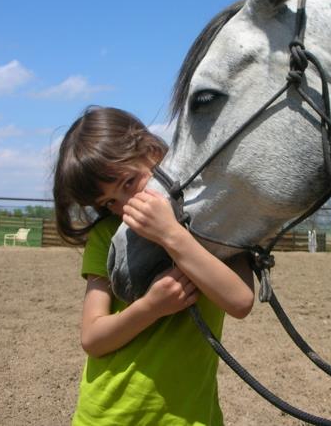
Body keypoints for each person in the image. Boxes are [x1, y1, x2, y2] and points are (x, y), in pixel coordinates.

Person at [53, 106, 255, 426]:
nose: (125, 206)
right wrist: (151, 307)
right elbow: (92, 338)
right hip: (109, 416)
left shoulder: (215, 227)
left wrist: (172, 236)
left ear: (153, 151)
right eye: (109, 203)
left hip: (191, 417)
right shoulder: (108, 235)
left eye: (130, 182)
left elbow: (240, 301)